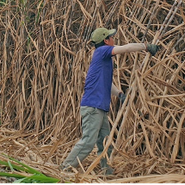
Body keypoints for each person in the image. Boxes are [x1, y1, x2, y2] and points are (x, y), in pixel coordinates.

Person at [61, 27, 160, 175]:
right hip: (93, 107)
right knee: (88, 141)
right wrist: (145, 47)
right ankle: (65, 169)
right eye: (111, 37)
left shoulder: (103, 60)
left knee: (105, 141)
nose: (114, 39)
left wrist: (119, 93)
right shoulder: (102, 51)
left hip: (99, 108)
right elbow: (126, 48)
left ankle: (106, 170)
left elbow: (107, 83)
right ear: (106, 41)